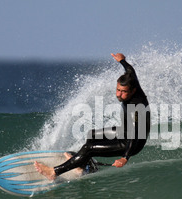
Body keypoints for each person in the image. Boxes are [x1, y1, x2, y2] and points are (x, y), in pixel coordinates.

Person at [34, 53, 151, 181]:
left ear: (133, 91)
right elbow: (130, 70)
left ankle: (54, 172)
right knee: (92, 134)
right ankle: (81, 165)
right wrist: (122, 61)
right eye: (118, 89)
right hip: (124, 130)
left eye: (123, 92)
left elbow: (135, 134)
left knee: (88, 148)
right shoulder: (131, 80)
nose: (119, 94)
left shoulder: (137, 107)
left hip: (131, 143)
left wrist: (125, 157)